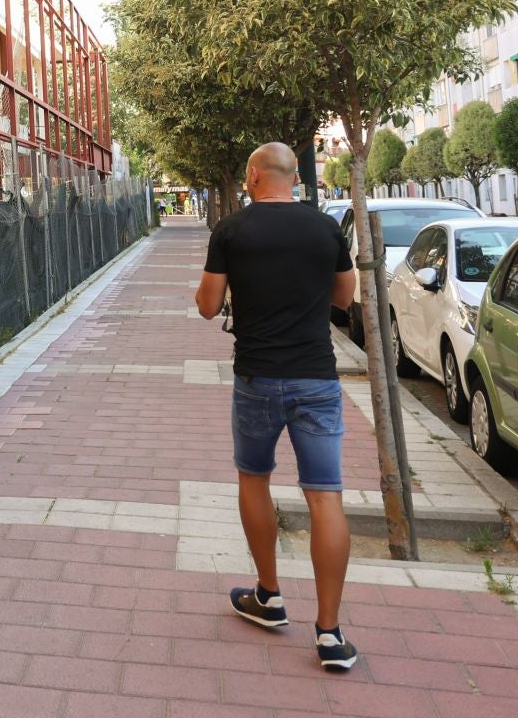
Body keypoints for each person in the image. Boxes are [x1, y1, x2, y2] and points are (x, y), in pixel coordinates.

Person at [194, 142, 360, 671]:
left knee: (254, 479)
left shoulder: (232, 230)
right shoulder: (325, 229)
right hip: (317, 379)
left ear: (253, 177)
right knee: (325, 497)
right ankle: (330, 634)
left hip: (257, 378)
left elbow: (206, 307)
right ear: (293, 177)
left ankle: (269, 595)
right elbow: (345, 297)